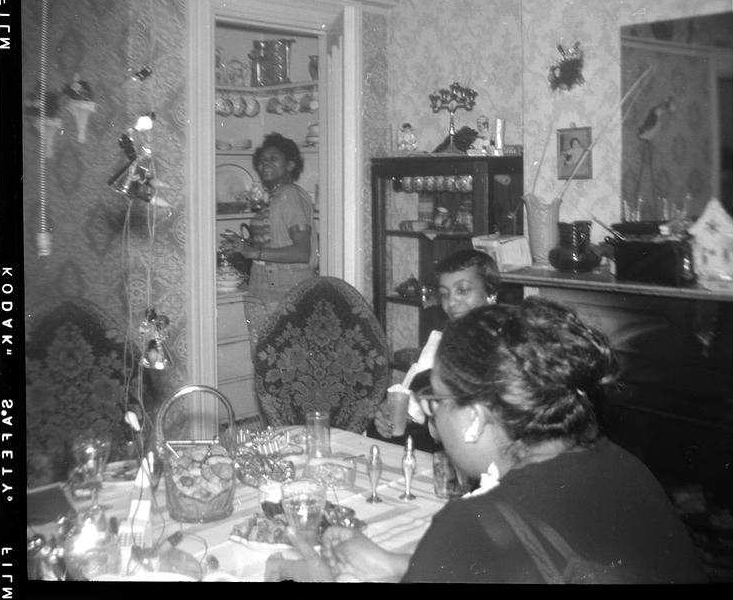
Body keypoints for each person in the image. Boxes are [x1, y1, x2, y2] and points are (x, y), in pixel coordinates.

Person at [268, 297, 707, 584]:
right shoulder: (627, 467)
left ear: (476, 418)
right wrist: (392, 567)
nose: (434, 425)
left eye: (437, 403)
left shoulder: (476, 521)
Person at [366, 249, 500, 453]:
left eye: (463, 290)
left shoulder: (505, 347)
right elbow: (413, 406)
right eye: (445, 294)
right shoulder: (441, 342)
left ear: (490, 294)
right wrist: (390, 417)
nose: (452, 302)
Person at [220, 132, 316, 311]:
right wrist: (243, 245)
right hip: (266, 284)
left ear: (290, 165)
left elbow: (302, 253)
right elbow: (273, 243)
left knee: (277, 339)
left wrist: (251, 251)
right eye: (262, 159)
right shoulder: (276, 196)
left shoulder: (290, 194)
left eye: (274, 158)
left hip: (285, 289)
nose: (266, 163)